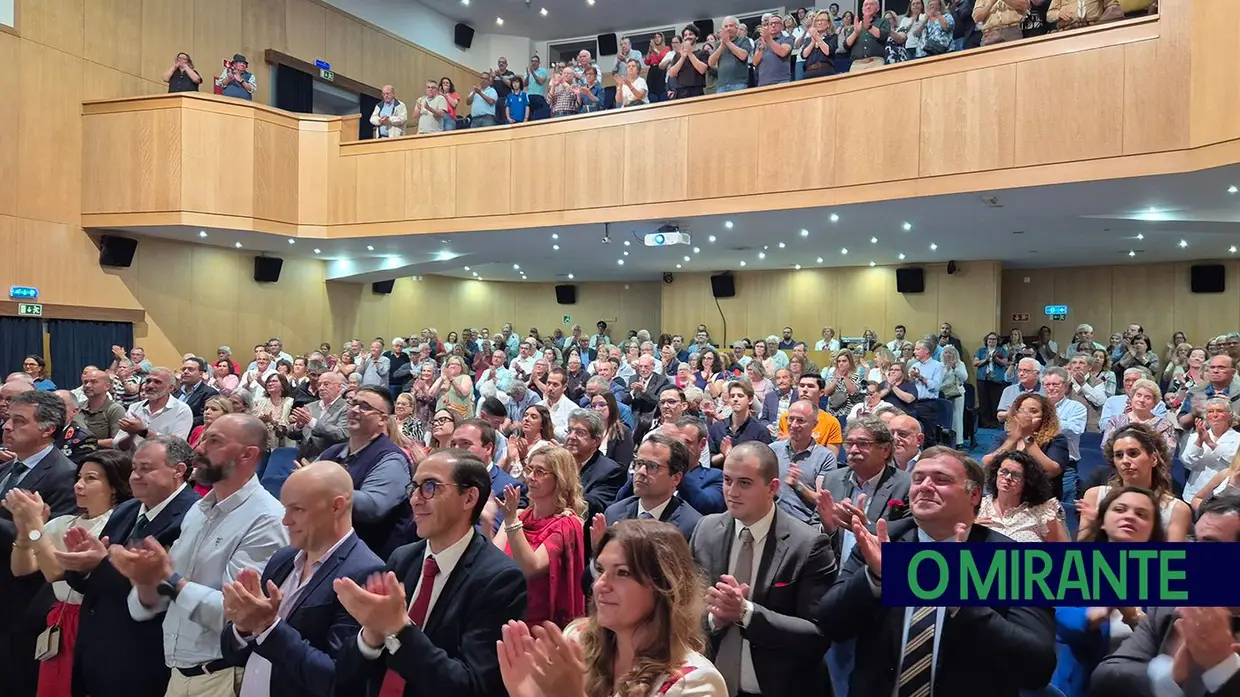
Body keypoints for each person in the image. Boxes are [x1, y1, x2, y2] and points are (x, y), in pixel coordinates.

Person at [817, 447, 1057, 697]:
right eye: (918, 479)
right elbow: (829, 624)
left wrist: (961, 603)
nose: (925, 486)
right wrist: (874, 578)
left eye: (941, 480)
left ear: (974, 494)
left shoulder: (1015, 561)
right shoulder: (884, 542)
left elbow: (1037, 669)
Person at [111, 414, 288, 697]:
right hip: (178, 672)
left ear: (247, 454)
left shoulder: (267, 519)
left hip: (223, 677)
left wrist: (168, 578)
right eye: (203, 438)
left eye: (214, 441)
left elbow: (238, 616)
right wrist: (146, 581)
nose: (199, 448)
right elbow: (149, 605)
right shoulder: (198, 509)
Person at [333, 450, 528, 697]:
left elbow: (472, 687)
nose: (415, 500)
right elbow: (347, 675)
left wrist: (398, 628)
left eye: (429, 487)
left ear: (469, 498)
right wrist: (372, 635)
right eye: (414, 488)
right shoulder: (402, 558)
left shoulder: (501, 579)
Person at [496, 520, 727, 697]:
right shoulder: (577, 640)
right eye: (600, 570)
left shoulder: (696, 682)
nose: (600, 585)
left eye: (622, 573)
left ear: (665, 587)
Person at [220, 461, 385, 697]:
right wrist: (243, 627)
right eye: (285, 509)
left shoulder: (365, 571)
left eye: (297, 509)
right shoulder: (282, 558)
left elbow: (336, 679)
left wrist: (268, 627)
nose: (285, 520)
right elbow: (233, 653)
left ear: (336, 506)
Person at [689, 441, 836, 697]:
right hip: (710, 688)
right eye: (727, 480)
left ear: (773, 487)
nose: (732, 492)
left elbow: (817, 635)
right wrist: (715, 619)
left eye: (744, 483)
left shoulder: (808, 544)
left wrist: (746, 613)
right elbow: (686, 611)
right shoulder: (705, 530)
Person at [59, 437, 201, 697]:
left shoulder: (193, 514)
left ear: (178, 470)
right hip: (97, 646)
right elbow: (93, 577)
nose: (135, 476)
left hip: (142, 655)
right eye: (134, 468)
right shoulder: (127, 508)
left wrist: (100, 564)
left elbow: (161, 586)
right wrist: (81, 566)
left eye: (146, 469)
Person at [6, 449, 131, 697]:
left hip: (91, 622)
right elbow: (22, 568)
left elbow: (56, 573)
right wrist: (24, 530)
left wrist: (35, 525)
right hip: (59, 618)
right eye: (79, 477)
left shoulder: (116, 524)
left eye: (90, 479)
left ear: (114, 486)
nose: (79, 485)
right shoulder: (64, 523)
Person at [1090, 495, 1240, 697]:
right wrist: (1170, 675)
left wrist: (1224, 667)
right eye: (1195, 542)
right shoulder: (1169, 606)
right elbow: (1107, 675)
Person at [0, 391, 80, 697]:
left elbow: (49, 539)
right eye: (8, 419)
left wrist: (22, 523)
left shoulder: (65, 475)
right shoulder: (9, 468)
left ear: (48, 429)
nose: (7, 426)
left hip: (24, 598)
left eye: (19, 421)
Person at [491, 446, 586, 628]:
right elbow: (492, 561)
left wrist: (511, 521)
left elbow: (531, 567)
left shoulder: (566, 524)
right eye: (530, 469)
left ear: (560, 479)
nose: (531, 477)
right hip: (503, 611)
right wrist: (489, 524)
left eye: (540, 472)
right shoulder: (518, 516)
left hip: (537, 626)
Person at [318, 386, 414, 561]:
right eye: (353, 403)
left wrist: (323, 486)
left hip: (368, 559)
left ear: (382, 419)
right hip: (326, 550)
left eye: (365, 406)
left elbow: (371, 507)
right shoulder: (333, 452)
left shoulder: (392, 459)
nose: (355, 409)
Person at [1078, 422, 1192, 542]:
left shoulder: (1177, 509)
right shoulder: (1095, 496)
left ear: (1153, 459)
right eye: (1119, 455)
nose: (1125, 461)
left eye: (1133, 453)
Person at [600, 433, 702, 541]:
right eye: (639, 463)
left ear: (676, 478)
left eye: (652, 466)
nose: (641, 472)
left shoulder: (692, 526)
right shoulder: (614, 513)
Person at [976, 449, 1068, 542]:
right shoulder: (978, 507)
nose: (1008, 478)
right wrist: (971, 528)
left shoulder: (1043, 512)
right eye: (1004, 471)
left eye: (1016, 475)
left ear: (1027, 482)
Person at [113, 367, 194, 451]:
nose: (150, 385)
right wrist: (131, 435)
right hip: (132, 457)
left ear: (170, 388)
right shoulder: (134, 407)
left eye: (157, 382)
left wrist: (143, 432)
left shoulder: (182, 410)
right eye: (148, 381)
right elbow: (117, 446)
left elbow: (177, 447)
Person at [1181, 396, 1240, 503]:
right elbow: (1188, 463)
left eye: (1220, 411)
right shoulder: (1195, 436)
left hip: (1225, 496)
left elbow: (1234, 463)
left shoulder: (1237, 438)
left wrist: (1210, 443)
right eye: (1210, 411)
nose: (1215, 415)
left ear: (1230, 415)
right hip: (1195, 494)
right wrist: (1199, 440)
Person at [288, 371, 348, 460]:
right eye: (319, 384)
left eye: (326, 384)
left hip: (328, 461)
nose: (321, 388)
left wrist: (312, 422)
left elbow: (342, 434)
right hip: (303, 460)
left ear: (339, 387)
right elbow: (293, 435)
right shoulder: (310, 406)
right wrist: (298, 427)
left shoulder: (346, 408)